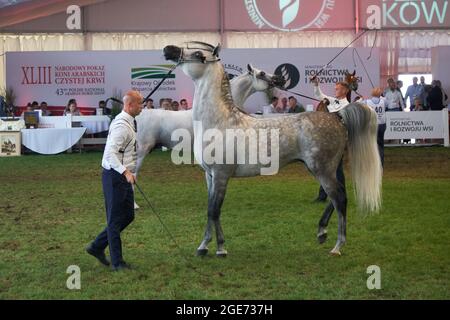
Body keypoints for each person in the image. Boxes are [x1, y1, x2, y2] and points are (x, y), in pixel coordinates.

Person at [86, 90, 143, 272]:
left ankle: (96, 246)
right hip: (114, 176)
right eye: (140, 104)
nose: (142, 107)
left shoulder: (127, 122)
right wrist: (126, 172)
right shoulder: (122, 126)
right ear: (130, 105)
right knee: (114, 221)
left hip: (121, 176)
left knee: (128, 215)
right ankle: (118, 263)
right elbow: (110, 154)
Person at [311, 77, 349, 202]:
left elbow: (340, 117)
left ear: (345, 91)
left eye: (338, 89)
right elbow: (319, 95)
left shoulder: (347, 106)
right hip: (328, 140)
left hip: (338, 142)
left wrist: (329, 106)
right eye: (335, 89)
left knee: (336, 169)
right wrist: (316, 84)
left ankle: (339, 194)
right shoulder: (333, 100)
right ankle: (323, 196)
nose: (336, 91)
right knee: (326, 169)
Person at [365, 87, 387, 167]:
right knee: (380, 144)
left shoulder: (366, 102)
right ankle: (380, 163)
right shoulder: (384, 101)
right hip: (382, 125)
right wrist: (381, 96)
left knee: (371, 144)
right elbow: (386, 102)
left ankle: (372, 163)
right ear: (380, 94)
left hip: (372, 125)